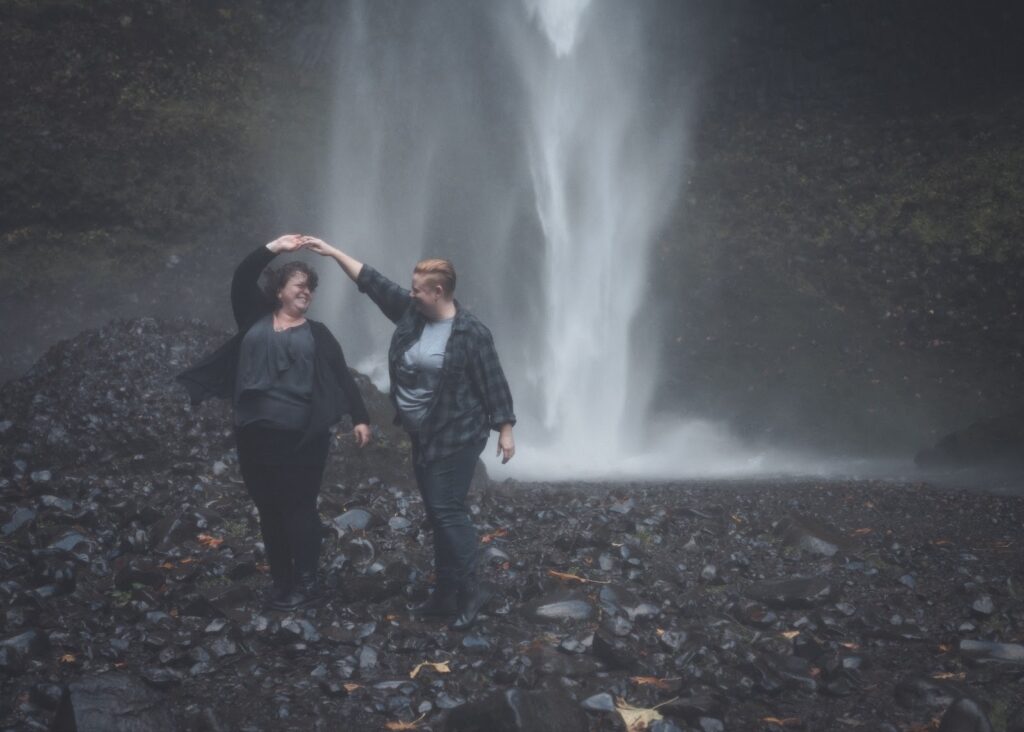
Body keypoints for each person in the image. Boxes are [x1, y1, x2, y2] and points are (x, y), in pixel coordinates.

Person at [304, 236, 515, 631]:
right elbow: (373, 282)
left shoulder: (471, 333)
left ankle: (471, 592)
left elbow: (493, 382)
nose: (411, 293)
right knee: (438, 513)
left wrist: (505, 430)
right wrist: (333, 253)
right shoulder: (412, 313)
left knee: (448, 510)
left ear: (438, 291)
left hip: (458, 434)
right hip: (423, 434)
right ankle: (445, 594)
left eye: (418, 289)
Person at [177, 234, 372, 611]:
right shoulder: (252, 317)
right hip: (254, 433)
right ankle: (281, 581)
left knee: (298, 507)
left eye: (311, 289)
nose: (308, 293)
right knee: (268, 508)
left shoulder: (318, 334)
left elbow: (342, 376)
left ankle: (308, 581)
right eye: (301, 286)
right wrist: (274, 247)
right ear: (280, 289)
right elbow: (241, 277)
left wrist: (360, 418)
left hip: (302, 436)